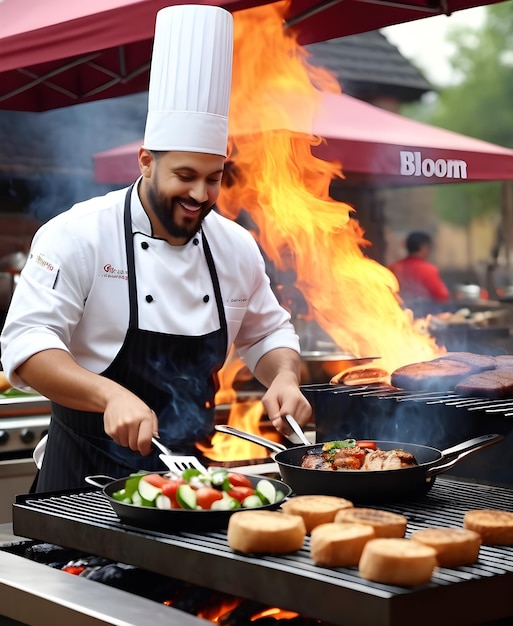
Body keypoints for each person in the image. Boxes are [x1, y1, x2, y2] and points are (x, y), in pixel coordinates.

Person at [0, 5, 311, 492]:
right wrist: (108, 396)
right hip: (79, 482)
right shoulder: (78, 234)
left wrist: (284, 378)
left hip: (188, 486)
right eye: (184, 176)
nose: (200, 195)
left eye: (214, 179)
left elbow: (268, 334)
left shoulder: (235, 247)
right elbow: (27, 346)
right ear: (146, 161)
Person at [388, 230, 450, 316]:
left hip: (395, 316)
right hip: (422, 318)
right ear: (423, 247)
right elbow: (442, 296)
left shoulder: (392, 268)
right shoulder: (428, 269)